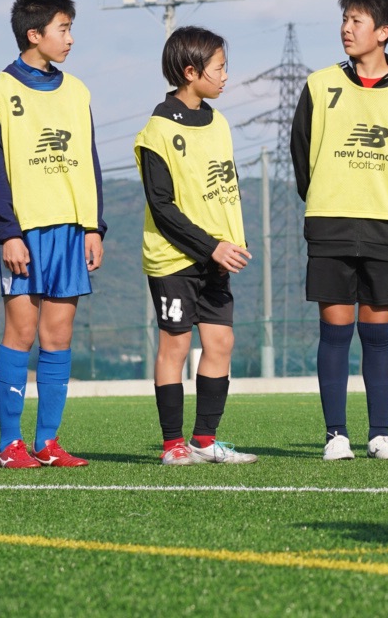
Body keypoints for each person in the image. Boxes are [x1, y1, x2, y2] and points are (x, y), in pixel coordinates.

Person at [292, 0, 388, 461]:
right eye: (344, 19)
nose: (346, 29)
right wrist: (332, 194)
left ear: (384, 31)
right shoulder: (319, 83)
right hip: (329, 222)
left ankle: (380, 435)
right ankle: (336, 436)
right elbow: (301, 155)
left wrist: (376, 193)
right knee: (334, 331)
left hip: (386, 224)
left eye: (357, 20)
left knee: (376, 333)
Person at [0, 0, 104, 469]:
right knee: (21, 331)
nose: (70, 39)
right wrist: (8, 232)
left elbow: (88, 162)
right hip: (25, 231)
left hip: (72, 230)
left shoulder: (77, 91)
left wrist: (94, 227)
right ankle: (10, 444)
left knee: (58, 335)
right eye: (63, 29)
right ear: (35, 34)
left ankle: (47, 443)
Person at [135, 26, 256, 466]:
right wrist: (211, 247)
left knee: (221, 342)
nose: (226, 76)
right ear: (191, 71)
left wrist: (232, 244)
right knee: (176, 347)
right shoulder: (157, 131)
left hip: (217, 257)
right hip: (174, 259)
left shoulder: (219, 121)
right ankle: (173, 445)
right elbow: (162, 207)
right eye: (219, 67)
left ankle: (205, 440)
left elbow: (225, 188)